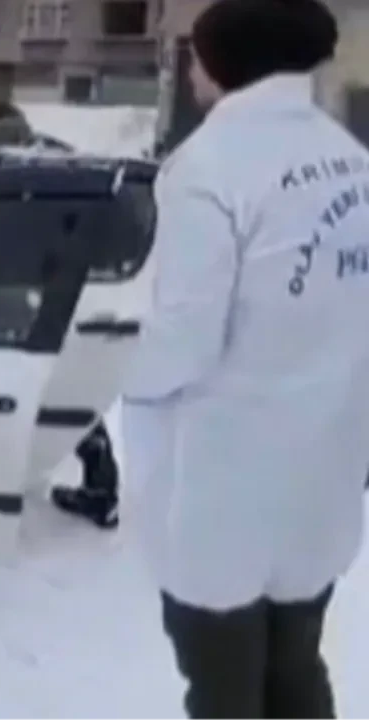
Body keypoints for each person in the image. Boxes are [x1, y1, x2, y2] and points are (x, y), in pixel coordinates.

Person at [122, 0, 369, 718]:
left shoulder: (207, 168)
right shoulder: (355, 165)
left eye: (196, 54)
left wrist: (110, 368)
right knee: (294, 668)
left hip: (225, 492)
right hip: (320, 482)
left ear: (224, 63)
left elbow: (183, 343)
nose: (192, 69)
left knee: (223, 689)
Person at [0, 73, 121, 531]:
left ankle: (3, 477)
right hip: (44, 285)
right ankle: (100, 483)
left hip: (18, 287)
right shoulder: (34, 148)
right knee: (56, 386)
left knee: (26, 384)